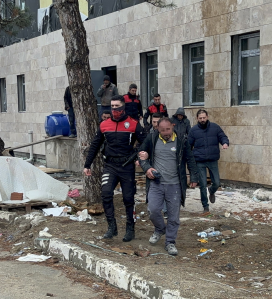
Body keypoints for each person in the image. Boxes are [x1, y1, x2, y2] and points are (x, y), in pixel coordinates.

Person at [84, 95, 146, 242]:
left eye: (117, 106)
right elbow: (94, 145)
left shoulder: (133, 124)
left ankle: (130, 228)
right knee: (105, 194)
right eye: (112, 106)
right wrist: (87, 164)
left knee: (128, 198)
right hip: (110, 166)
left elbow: (145, 142)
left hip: (127, 167)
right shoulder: (104, 125)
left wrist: (139, 156)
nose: (114, 109)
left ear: (123, 106)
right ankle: (112, 227)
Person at [138, 118, 198, 256]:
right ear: (158, 129)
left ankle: (170, 242)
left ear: (173, 126)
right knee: (153, 210)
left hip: (175, 184)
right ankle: (160, 229)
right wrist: (147, 168)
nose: (166, 132)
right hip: (156, 183)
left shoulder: (181, 140)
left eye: (168, 129)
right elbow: (141, 155)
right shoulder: (152, 138)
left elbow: (190, 159)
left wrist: (194, 177)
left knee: (173, 216)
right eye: (162, 130)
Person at [188, 109, 229, 213]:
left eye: (204, 117)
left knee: (217, 182)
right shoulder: (193, 130)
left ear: (207, 117)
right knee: (202, 184)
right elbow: (188, 145)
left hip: (212, 159)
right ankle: (205, 206)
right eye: (200, 118)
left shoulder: (215, 127)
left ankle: (212, 190)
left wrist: (225, 143)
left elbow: (222, 137)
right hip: (199, 161)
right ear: (197, 118)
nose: (202, 120)